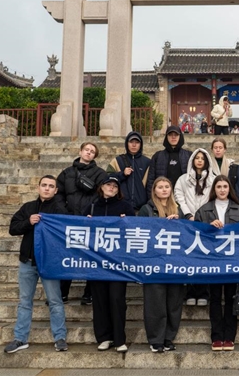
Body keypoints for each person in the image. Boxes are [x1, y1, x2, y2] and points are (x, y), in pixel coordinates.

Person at [4, 175, 69, 354]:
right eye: (44, 185)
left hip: (49, 263)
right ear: (38, 187)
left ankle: (60, 338)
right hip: (27, 261)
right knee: (25, 301)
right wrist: (28, 222)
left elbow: (68, 231)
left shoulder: (60, 209)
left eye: (51, 186)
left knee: (55, 301)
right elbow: (13, 228)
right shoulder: (28, 207)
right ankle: (20, 338)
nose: (47, 188)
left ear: (56, 190)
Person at [195, 175, 239, 352]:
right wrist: (209, 227)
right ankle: (216, 337)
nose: (222, 190)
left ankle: (229, 337)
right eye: (219, 187)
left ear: (229, 189)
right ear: (214, 189)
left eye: (225, 186)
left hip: (232, 261)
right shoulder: (204, 210)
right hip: (213, 260)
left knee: (231, 298)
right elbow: (195, 233)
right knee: (215, 298)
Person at [55, 141, 107, 305]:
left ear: (95, 156)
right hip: (70, 220)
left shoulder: (100, 173)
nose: (89, 152)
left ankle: (89, 294)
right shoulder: (67, 173)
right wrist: (64, 212)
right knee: (68, 256)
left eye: (92, 151)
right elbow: (58, 194)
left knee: (92, 257)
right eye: (86, 149)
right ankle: (62, 293)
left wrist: (94, 212)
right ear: (80, 151)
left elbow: (103, 195)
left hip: (90, 222)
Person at [86, 176, 134, 353]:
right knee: (99, 301)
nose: (112, 188)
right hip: (96, 262)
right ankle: (104, 337)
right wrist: (86, 221)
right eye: (108, 185)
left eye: (115, 186)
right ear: (101, 187)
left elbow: (135, 232)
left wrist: (127, 222)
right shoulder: (92, 206)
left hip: (118, 262)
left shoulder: (125, 206)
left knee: (117, 299)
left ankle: (119, 339)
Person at [138, 177, 185, 353]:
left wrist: (178, 223)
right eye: (160, 187)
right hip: (154, 263)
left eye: (167, 186)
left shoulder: (179, 209)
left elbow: (187, 236)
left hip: (175, 264)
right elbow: (140, 234)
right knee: (155, 303)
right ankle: (156, 339)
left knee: (174, 303)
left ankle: (168, 338)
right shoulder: (146, 209)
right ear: (154, 190)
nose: (164, 189)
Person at [174, 148, 216, 306]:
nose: (199, 160)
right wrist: (188, 215)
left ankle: (203, 293)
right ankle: (190, 292)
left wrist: (205, 217)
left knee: (204, 259)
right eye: (197, 158)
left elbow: (214, 199)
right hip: (188, 224)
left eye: (202, 158)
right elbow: (179, 197)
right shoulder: (183, 179)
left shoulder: (213, 179)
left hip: (206, 224)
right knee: (190, 258)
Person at [106, 131, 150, 213]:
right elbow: (107, 178)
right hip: (120, 206)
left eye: (137, 142)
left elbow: (151, 184)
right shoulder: (117, 161)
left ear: (141, 145)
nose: (134, 145)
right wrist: (122, 174)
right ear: (127, 143)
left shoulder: (147, 162)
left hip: (141, 209)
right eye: (131, 142)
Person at [146, 125, 192, 199]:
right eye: (170, 135)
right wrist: (152, 199)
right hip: (163, 198)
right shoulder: (157, 156)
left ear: (180, 136)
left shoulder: (189, 155)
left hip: (183, 198)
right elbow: (150, 180)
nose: (173, 137)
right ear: (166, 137)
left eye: (176, 135)